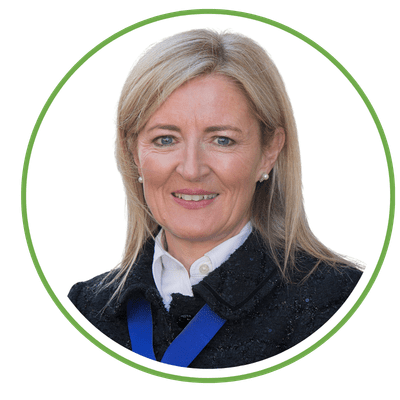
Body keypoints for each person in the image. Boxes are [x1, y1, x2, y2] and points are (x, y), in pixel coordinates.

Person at [68, 29, 362, 369]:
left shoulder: (338, 303)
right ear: (133, 152)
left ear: (269, 152)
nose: (192, 170)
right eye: (165, 139)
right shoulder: (86, 310)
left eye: (222, 140)